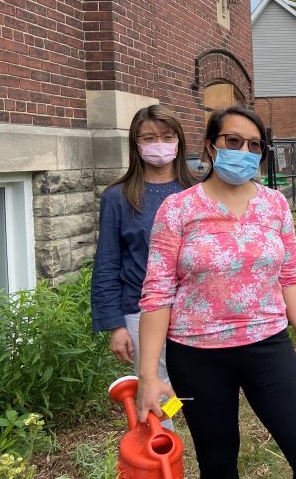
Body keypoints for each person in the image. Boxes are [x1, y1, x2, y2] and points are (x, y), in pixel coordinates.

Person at [136, 106, 296, 479]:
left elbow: (291, 276)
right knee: (218, 462)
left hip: (267, 345)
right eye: (233, 141)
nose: (244, 151)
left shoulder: (274, 204)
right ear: (211, 147)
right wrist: (148, 374)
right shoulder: (177, 208)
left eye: (254, 145)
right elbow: (157, 292)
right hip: (196, 356)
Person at [91, 104, 195, 430]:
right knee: (155, 390)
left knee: (195, 384)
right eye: (148, 137)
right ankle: (164, 449)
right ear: (136, 144)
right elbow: (107, 263)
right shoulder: (119, 197)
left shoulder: (198, 190)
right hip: (142, 312)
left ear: (179, 140)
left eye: (166, 136)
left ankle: (184, 420)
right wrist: (115, 325)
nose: (159, 144)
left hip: (196, 308)